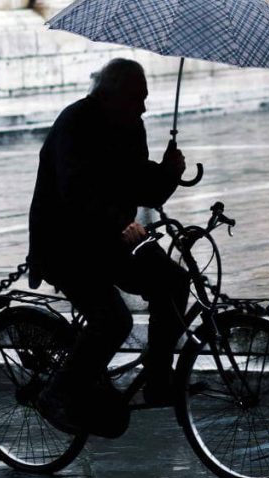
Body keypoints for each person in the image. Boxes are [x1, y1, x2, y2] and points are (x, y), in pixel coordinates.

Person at [27, 58, 190, 438]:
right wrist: (120, 222)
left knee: (174, 282)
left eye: (145, 99)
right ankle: (57, 393)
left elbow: (142, 186)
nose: (144, 107)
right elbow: (75, 192)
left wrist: (168, 172)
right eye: (137, 98)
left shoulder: (131, 126)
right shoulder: (74, 124)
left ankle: (158, 377)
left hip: (112, 239)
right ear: (110, 95)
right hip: (66, 244)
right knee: (113, 320)